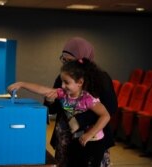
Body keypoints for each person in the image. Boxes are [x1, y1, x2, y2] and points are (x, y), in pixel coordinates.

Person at [8, 58, 111, 167]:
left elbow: (105, 116)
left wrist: (90, 134)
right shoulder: (63, 94)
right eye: (62, 81)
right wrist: (22, 84)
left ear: (80, 82)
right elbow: (41, 89)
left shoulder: (88, 99)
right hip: (77, 139)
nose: (62, 85)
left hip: (93, 142)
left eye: (66, 82)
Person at [43, 37, 118, 167]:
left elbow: (110, 108)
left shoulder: (101, 78)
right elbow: (54, 108)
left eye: (70, 60)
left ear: (83, 59)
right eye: (64, 59)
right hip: (66, 137)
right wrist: (49, 101)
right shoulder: (63, 77)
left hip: (92, 136)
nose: (66, 64)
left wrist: (80, 120)